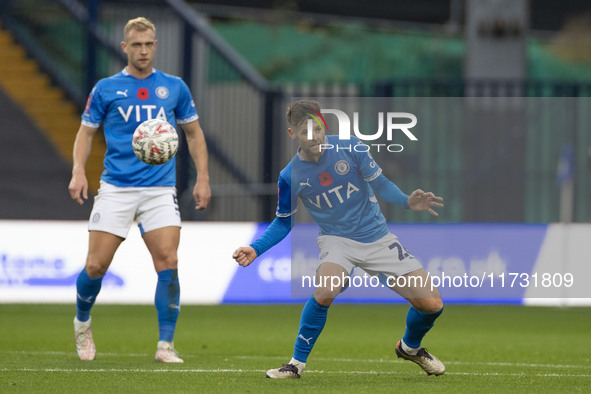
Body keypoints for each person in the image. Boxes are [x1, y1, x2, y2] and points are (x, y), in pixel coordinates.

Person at [233, 99, 445, 378]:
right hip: (337, 242)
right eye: (305, 132)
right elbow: (284, 222)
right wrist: (256, 248)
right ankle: (295, 366)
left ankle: (410, 348)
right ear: (292, 135)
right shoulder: (290, 175)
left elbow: (381, 184)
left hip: (378, 237)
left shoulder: (352, 147)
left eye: (317, 129)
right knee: (325, 290)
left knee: (432, 306)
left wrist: (406, 201)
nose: (314, 137)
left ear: (325, 126)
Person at [68, 17, 211, 363]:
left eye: (148, 44)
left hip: (160, 189)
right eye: (136, 45)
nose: (143, 50)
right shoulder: (106, 88)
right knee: (95, 266)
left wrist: (203, 177)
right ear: (125, 47)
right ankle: (82, 322)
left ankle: (165, 345)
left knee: (169, 261)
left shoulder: (174, 87)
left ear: (156, 46)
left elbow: (193, 133)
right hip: (116, 187)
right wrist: (78, 171)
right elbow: (86, 132)